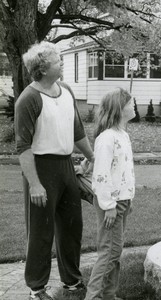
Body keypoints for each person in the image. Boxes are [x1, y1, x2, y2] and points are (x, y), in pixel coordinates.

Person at [15, 41, 95, 300]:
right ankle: (36, 288)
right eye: (57, 60)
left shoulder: (67, 91)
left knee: (72, 227)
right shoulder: (28, 99)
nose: (61, 62)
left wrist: (93, 157)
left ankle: (72, 281)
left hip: (66, 167)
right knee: (41, 231)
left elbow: (78, 132)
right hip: (41, 169)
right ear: (43, 68)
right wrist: (35, 184)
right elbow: (23, 148)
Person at [83, 88, 135, 300]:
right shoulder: (107, 138)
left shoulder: (122, 135)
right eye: (131, 103)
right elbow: (102, 174)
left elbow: (122, 170)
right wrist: (109, 205)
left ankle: (108, 295)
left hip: (121, 201)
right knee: (108, 253)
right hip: (111, 204)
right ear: (120, 109)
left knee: (115, 252)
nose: (134, 106)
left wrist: (128, 198)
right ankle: (93, 297)